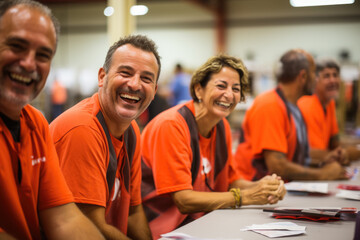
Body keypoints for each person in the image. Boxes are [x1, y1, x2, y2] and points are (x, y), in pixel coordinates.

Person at [141, 54, 286, 239]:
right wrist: (246, 197)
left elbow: (231, 181)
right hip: (164, 229)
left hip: (202, 223)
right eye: (221, 86)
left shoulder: (221, 126)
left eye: (236, 89)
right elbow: (183, 200)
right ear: (198, 90)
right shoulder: (172, 125)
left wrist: (265, 187)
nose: (229, 94)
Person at [0, 1, 104, 239]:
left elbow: (64, 218)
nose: (28, 63)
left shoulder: (35, 123)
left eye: (43, 55)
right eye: (16, 46)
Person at [49, 34, 160, 240]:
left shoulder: (132, 131)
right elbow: (90, 227)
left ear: (154, 90)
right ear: (102, 77)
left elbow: (134, 212)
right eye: (125, 73)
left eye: (146, 78)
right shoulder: (82, 128)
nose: (135, 84)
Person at [234, 49, 348, 182]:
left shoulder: (293, 108)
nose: (316, 79)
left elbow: (291, 158)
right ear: (303, 76)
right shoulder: (270, 105)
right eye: (313, 73)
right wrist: (323, 174)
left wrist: (323, 160)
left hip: (280, 189)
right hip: (255, 191)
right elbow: (277, 165)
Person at [298, 58, 360, 165]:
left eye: (335, 75)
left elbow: (334, 142)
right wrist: (347, 153)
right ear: (315, 80)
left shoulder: (329, 103)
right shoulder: (307, 104)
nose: (333, 80)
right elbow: (315, 153)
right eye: (327, 76)